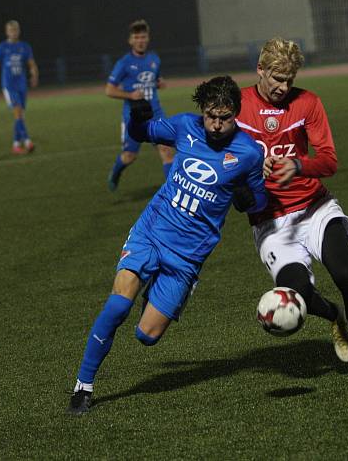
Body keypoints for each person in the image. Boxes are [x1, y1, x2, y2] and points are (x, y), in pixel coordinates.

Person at [68, 76, 267, 415]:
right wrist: (136, 116)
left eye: (225, 117)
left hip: (187, 256)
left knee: (147, 335)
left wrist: (247, 199)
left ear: (236, 114)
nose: (217, 125)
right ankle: (83, 385)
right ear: (201, 112)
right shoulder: (183, 127)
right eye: (210, 116)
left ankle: (172, 291)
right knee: (117, 308)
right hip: (150, 233)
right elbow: (140, 134)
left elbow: (259, 204)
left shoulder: (248, 153)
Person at [236, 37, 348, 385]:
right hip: (270, 222)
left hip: (315, 209)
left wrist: (297, 166)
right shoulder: (238, 106)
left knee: (346, 276)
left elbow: (329, 161)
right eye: (276, 79)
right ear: (260, 69)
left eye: (289, 80)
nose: (283, 87)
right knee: (297, 294)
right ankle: (333, 316)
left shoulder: (308, 103)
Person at [105, 19, 174, 191]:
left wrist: (159, 82)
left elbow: (155, 78)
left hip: (155, 112)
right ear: (130, 40)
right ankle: (115, 172)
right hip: (133, 115)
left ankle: (172, 192)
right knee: (129, 156)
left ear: (148, 39)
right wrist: (130, 95)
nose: (140, 41)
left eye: (143, 37)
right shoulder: (124, 63)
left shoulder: (154, 59)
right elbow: (109, 90)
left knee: (166, 150)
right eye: (136, 37)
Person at [0, 20, 39, 154]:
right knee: (18, 112)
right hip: (9, 86)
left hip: (22, 85)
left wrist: (34, 75)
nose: (14, 32)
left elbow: (32, 64)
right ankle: (27, 141)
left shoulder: (25, 47)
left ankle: (15, 144)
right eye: (11, 30)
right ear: (7, 32)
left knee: (19, 115)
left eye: (16, 30)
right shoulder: (2, 47)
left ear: (19, 31)